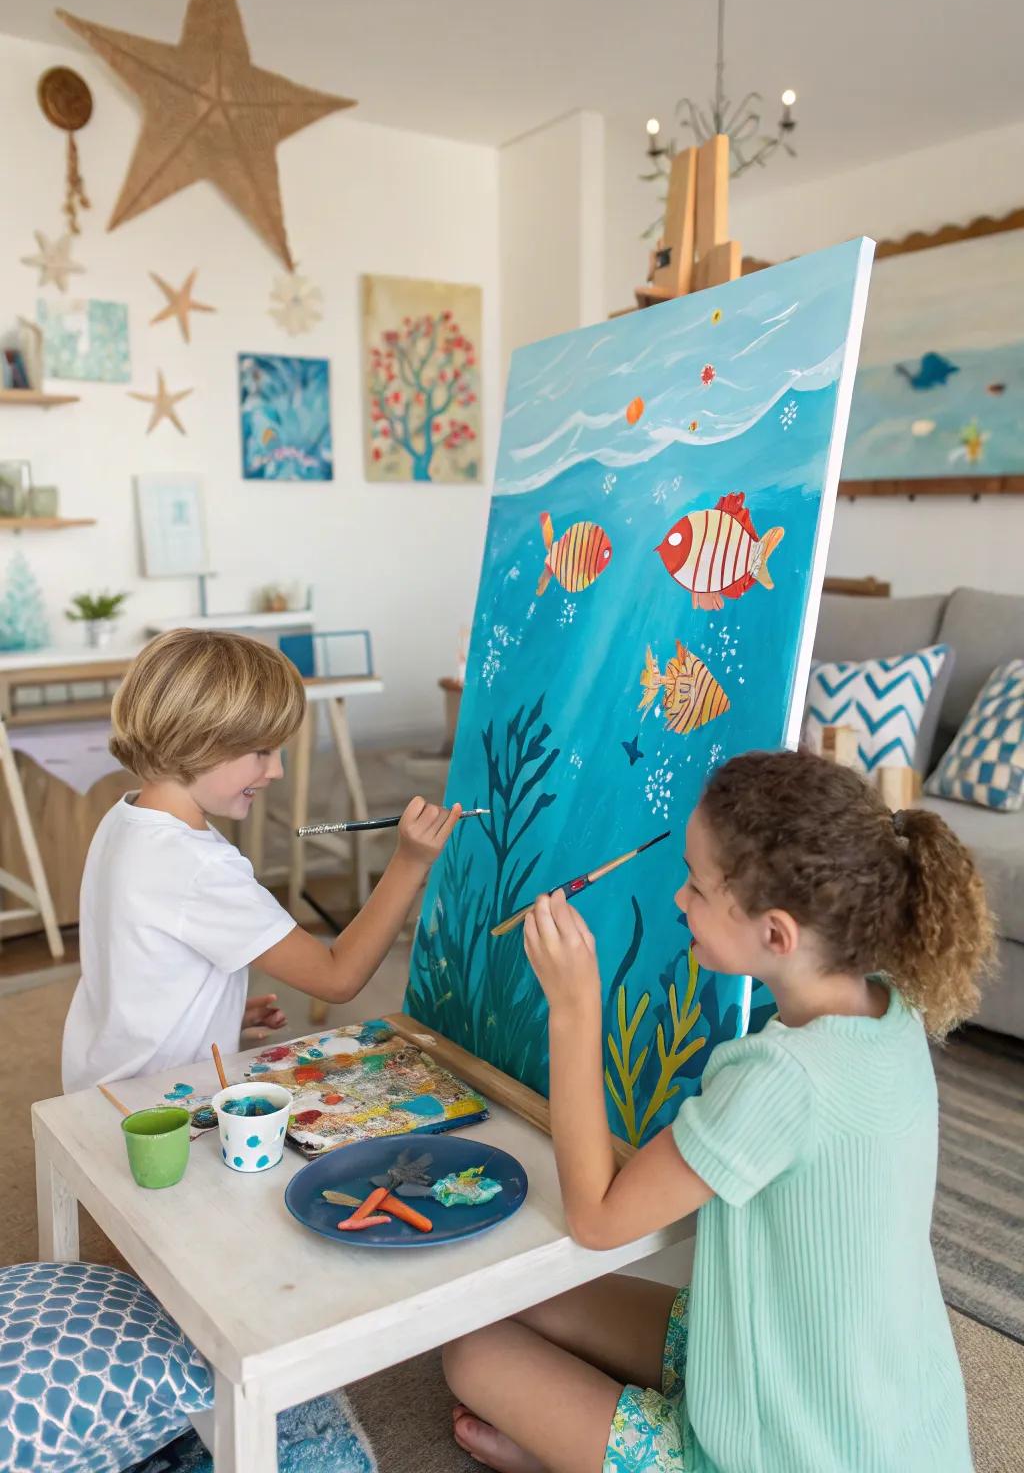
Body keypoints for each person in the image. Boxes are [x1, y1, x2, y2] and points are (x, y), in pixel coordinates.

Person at [444, 749, 992, 1473]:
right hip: (873, 1413)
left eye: (697, 887)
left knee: (469, 1351)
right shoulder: (889, 1007)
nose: (678, 900)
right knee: (521, 1299)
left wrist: (576, 1008)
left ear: (776, 934)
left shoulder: (781, 1077)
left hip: (782, 1455)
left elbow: (599, 1219)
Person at [62, 628, 458, 1093]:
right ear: (200, 741)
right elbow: (337, 976)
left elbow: (139, 963)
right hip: (159, 1108)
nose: (276, 771)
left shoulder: (126, 818)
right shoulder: (199, 866)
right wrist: (409, 863)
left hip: (100, 1084)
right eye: (262, 752)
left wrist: (213, 1014)